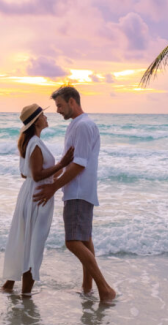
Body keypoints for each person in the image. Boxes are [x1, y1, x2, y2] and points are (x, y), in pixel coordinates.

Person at [34, 86, 116, 302]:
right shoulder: (77, 125)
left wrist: (53, 187)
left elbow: (79, 164)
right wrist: (51, 178)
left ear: (72, 102)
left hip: (78, 191)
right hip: (79, 190)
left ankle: (105, 289)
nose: (58, 110)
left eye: (60, 105)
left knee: (72, 242)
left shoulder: (82, 126)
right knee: (85, 240)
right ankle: (88, 288)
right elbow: (70, 161)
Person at [2, 103, 73, 295]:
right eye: (43, 115)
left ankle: (9, 287)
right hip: (36, 198)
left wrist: (60, 175)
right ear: (36, 122)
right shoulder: (34, 143)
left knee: (26, 242)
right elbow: (37, 174)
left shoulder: (32, 142)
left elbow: (29, 175)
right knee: (34, 245)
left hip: (32, 194)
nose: (46, 117)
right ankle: (25, 297)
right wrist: (62, 164)